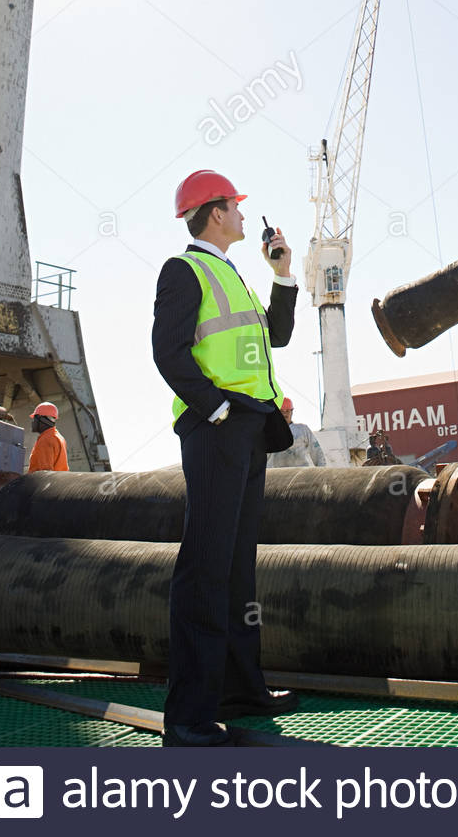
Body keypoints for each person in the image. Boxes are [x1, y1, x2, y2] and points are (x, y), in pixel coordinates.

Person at [152, 168, 300, 748]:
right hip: (218, 429)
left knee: (238, 564)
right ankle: (188, 716)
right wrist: (214, 411)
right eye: (236, 207)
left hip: (251, 429)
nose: (244, 215)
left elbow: (276, 338)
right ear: (214, 212)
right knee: (206, 566)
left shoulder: (232, 275)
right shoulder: (183, 270)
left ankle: (241, 688)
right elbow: (168, 352)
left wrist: (282, 275)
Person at [267, 397, 327, 468]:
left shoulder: (302, 430)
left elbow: (316, 450)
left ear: (292, 412)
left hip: (299, 475)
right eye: (281, 411)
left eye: (287, 411)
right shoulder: (269, 431)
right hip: (275, 475)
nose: (284, 414)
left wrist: (321, 471)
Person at [27, 402, 68, 471]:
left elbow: (43, 473)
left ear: (42, 420)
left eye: (35, 419)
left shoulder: (46, 440)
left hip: (48, 481)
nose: (33, 422)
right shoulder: (58, 437)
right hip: (58, 480)